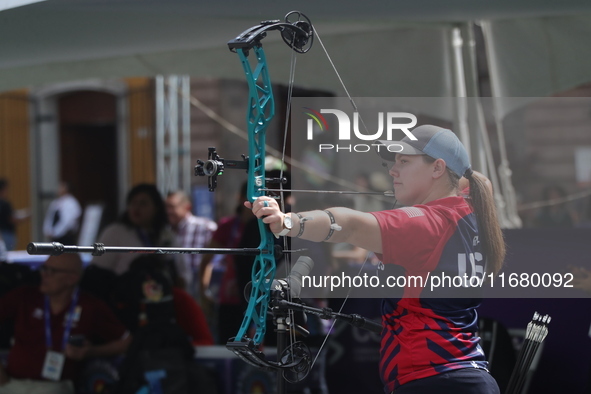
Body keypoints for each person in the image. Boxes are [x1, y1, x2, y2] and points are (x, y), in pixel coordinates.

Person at [247, 125, 505, 394]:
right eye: (394, 162)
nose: (393, 171)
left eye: (404, 162)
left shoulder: (426, 224)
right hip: (463, 377)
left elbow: (351, 226)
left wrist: (288, 222)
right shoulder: (470, 213)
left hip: (434, 381)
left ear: (438, 168)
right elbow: (477, 180)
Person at [0, 254, 130, 394]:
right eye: (44, 269)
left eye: (51, 271)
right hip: (10, 383)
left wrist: (90, 352)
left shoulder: (89, 306)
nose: (44, 275)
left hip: (55, 387)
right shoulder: (25, 296)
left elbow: (126, 341)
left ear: (71, 278)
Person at [91, 184, 174, 276]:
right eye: (133, 203)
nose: (136, 208)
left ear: (156, 208)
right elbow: (96, 270)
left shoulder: (165, 234)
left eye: (143, 203)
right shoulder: (114, 232)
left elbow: (181, 272)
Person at [165, 190, 217, 296]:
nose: (167, 211)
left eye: (172, 206)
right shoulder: (164, 232)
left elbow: (217, 262)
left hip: (202, 287)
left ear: (187, 207)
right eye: (165, 207)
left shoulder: (206, 227)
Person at [0, 178, 29, 251]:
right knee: (6, 256)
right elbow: (12, 218)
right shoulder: (5, 203)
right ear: (4, 189)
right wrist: (25, 217)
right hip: (6, 234)